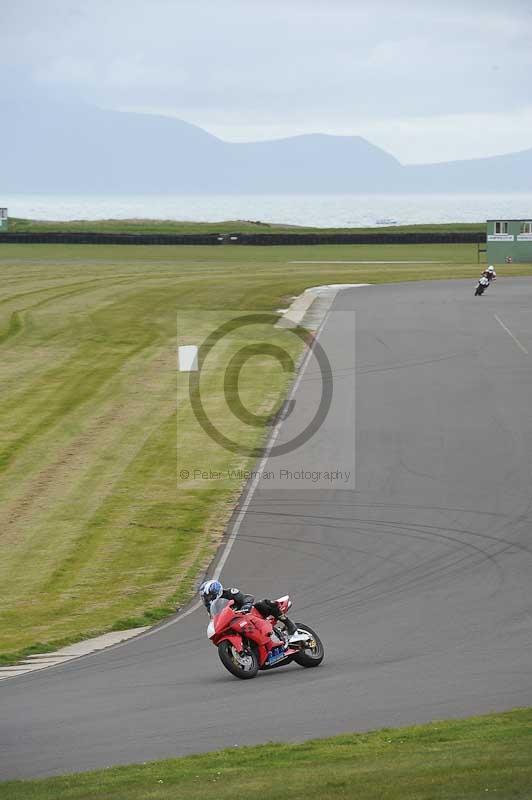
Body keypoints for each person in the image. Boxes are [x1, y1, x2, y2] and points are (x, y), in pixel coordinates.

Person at [199, 579, 299, 645]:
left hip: (249, 614)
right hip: (234, 624)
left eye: (208, 596)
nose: (207, 600)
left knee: (263, 604)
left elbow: (247, 598)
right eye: (205, 598)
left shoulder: (230, 593)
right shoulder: (211, 608)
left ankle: (290, 625)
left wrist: (246, 606)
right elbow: (215, 620)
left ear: (216, 592)